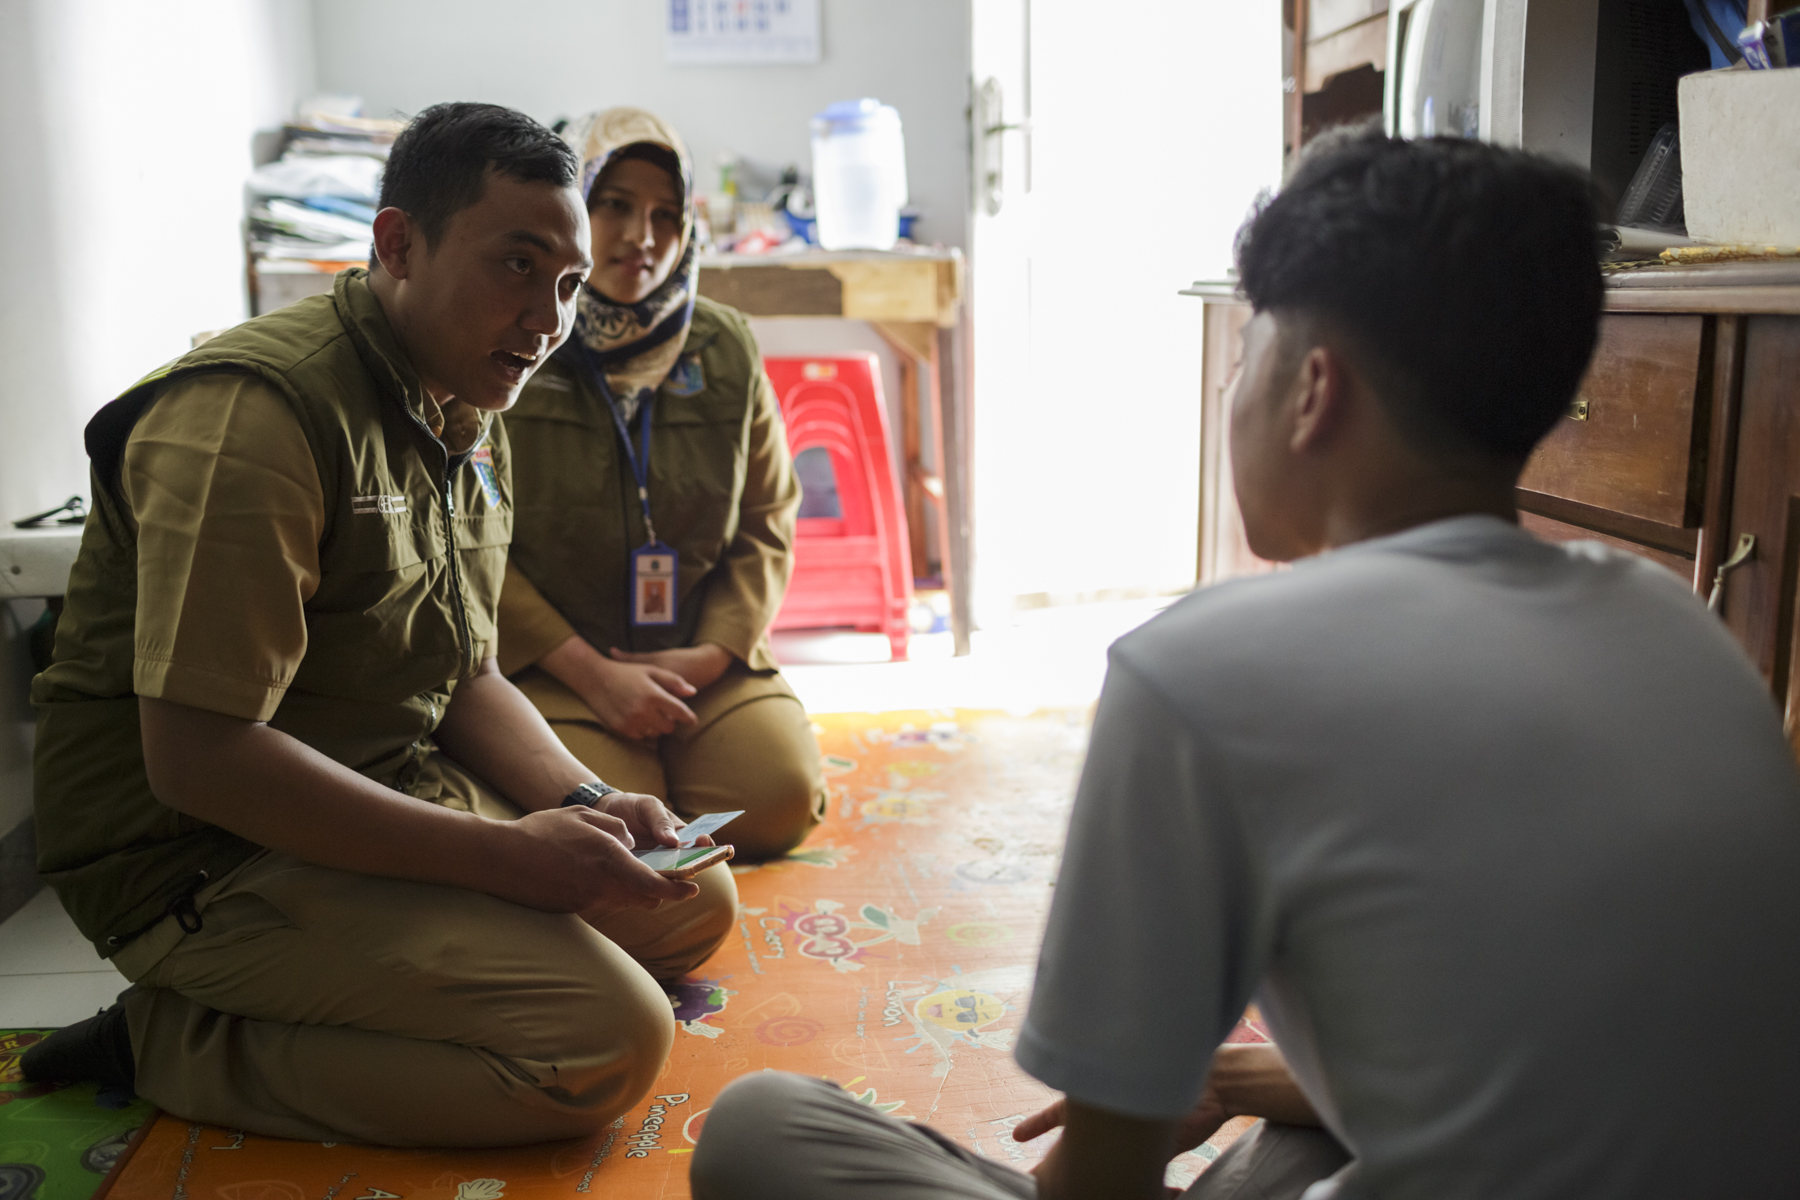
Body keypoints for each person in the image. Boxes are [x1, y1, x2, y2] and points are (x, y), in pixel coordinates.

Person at [690, 131, 1800, 1199]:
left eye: (1249, 352)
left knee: (762, 1128)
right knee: (1303, 1130)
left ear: (1313, 389)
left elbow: (1099, 1191)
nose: (1233, 394)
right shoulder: (1677, 625)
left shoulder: (1201, 673)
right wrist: (1222, 1078)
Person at [23, 102, 739, 1149]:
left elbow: (463, 669)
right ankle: (164, 1040)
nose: (547, 319)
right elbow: (199, 763)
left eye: (568, 284)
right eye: (517, 264)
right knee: (603, 1046)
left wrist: (586, 802)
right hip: (204, 857)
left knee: (684, 901)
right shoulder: (258, 417)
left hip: (371, 780)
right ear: (397, 244)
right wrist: (507, 861)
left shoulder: (465, 410)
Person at [496, 108, 825, 863]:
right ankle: (631, 755)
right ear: (570, 207)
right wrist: (594, 674)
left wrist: (711, 655)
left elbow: (769, 516)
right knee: (613, 826)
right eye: (614, 205)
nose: (643, 237)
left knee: (777, 801)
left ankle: (680, 746)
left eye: (666, 215)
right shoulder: (518, 340)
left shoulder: (724, 344)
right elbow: (472, 540)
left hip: (695, 652)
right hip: (557, 663)